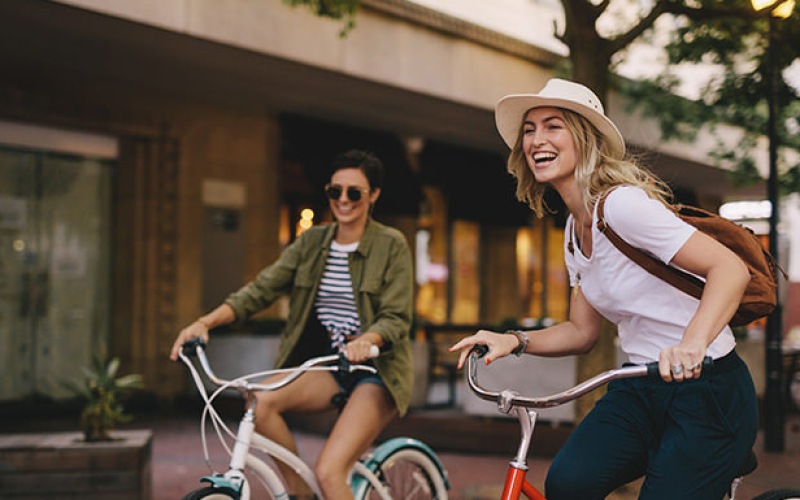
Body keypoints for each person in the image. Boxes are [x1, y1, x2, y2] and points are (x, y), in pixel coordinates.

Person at [450, 78, 758, 499]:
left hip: (707, 389)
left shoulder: (621, 206)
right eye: (529, 129)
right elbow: (582, 332)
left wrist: (693, 343)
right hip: (640, 385)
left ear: (583, 139)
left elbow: (730, 268)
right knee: (568, 484)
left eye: (553, 126)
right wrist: (512, 340)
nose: (537, 139)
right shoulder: (575, 230)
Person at [170, 149, 414, 500]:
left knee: (330, 472)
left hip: (377, 370)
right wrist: (204, 323)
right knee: (260, 401)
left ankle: (318, 487)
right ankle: (301, 494)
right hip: (330, 364)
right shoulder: (311, 243)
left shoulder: (391, 245)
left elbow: (396, 317)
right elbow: (259, 290)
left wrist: (368, 339)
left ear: (373, 195)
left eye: (355, 193)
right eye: (336, 191)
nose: (343, 200)